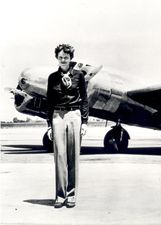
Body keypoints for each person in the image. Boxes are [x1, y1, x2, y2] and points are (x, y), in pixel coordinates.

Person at [46, 44, 89, 208]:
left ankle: (71, 196)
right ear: (57, 58)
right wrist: (49, 125)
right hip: (57, 115)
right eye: (60, 57)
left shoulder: (79, 76)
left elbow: (84, 100)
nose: (63, 59)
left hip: (74, 115)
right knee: (60, 157)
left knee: (73, 157)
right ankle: (60, 195)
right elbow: (49, 102)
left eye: (66, 57)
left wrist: (84, 122)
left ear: (71, 58)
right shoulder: (52, 78)